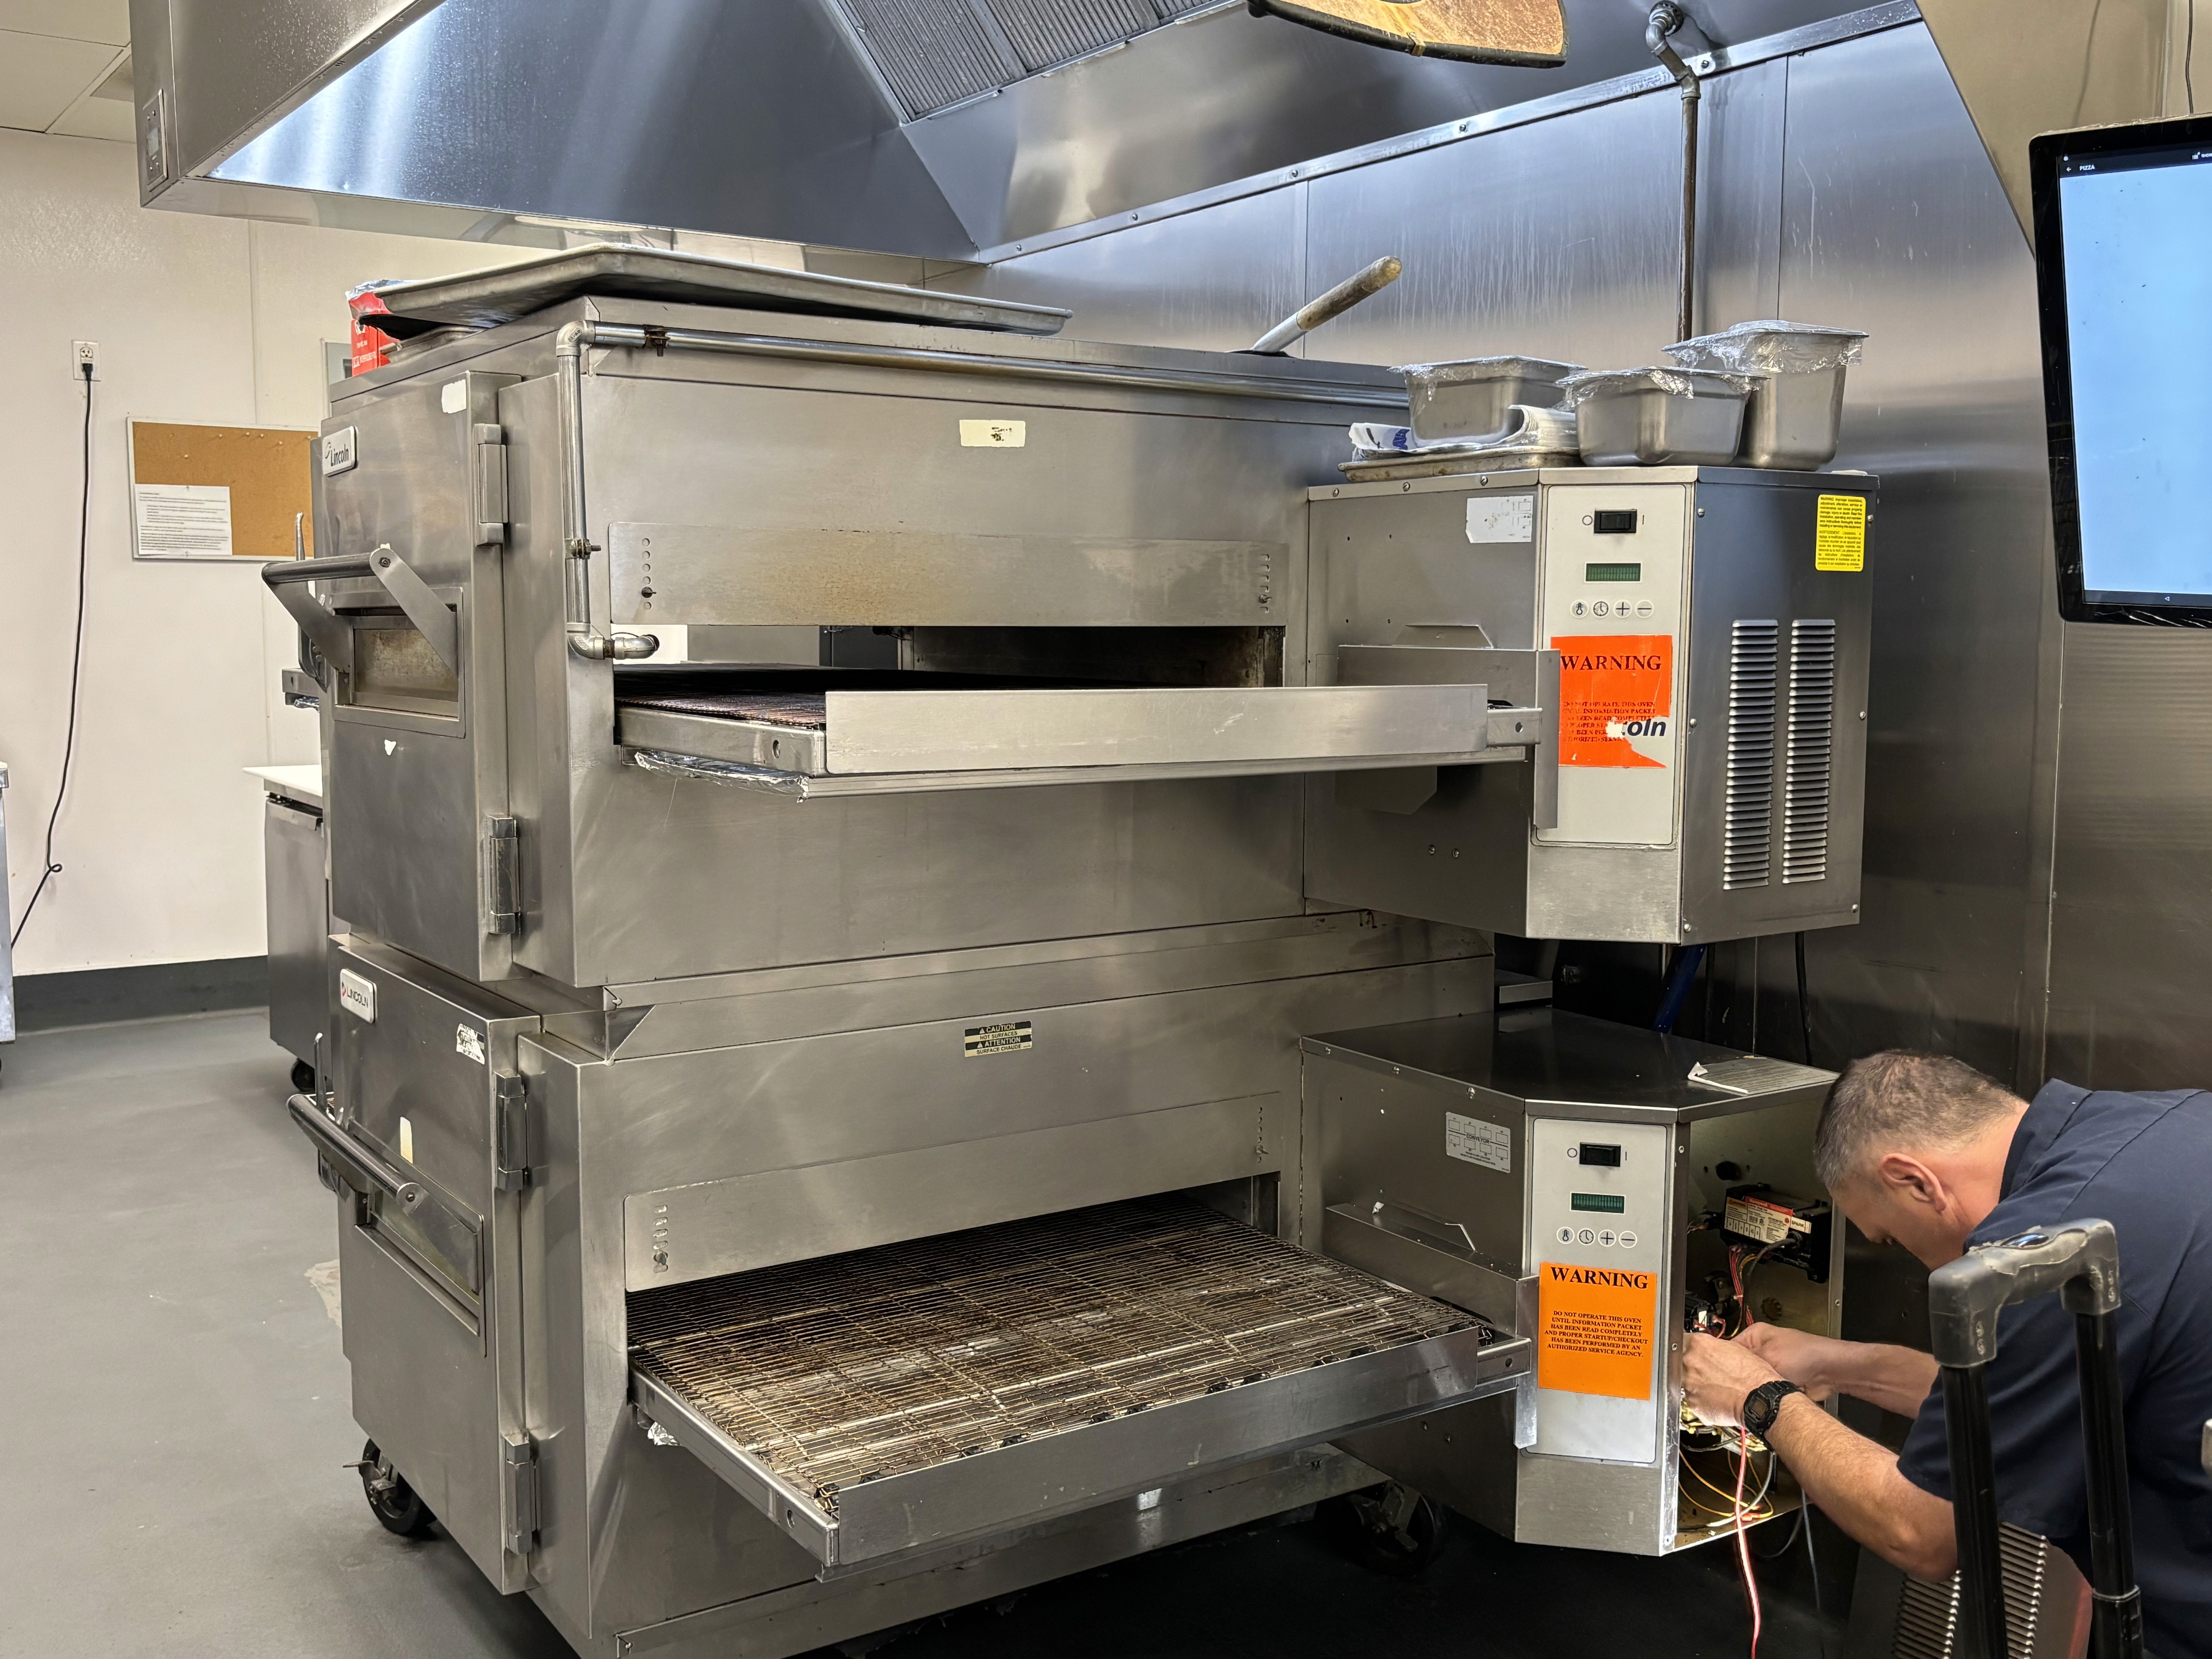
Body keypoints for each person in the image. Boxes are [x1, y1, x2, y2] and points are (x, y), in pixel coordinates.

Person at [1681, 1052, 2212, 1659]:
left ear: (1915, 1181)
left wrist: (1760, 1399)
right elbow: (2022, 1392)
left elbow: (1920, 1533)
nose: (1912, 1258)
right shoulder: (2164, 1121)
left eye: (1891, 1238)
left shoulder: (2041, 1255)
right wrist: (1838, 1365)